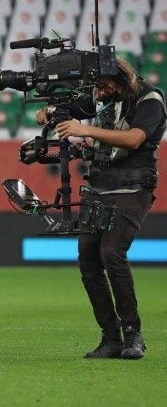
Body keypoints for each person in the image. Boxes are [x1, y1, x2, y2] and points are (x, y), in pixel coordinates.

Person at [38, 58, 166, 360]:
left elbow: (134, 139)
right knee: (89, 262)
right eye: (95, 85)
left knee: (112, 252)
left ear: (121, 80)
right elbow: (68, 113)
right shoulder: (100, 96)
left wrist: (86, 130)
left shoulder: (150, 99)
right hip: (98, 187)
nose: (98, 91)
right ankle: (110, 338)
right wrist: (48, 114)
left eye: (103, 85)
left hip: (132, 189)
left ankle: (133, 334)